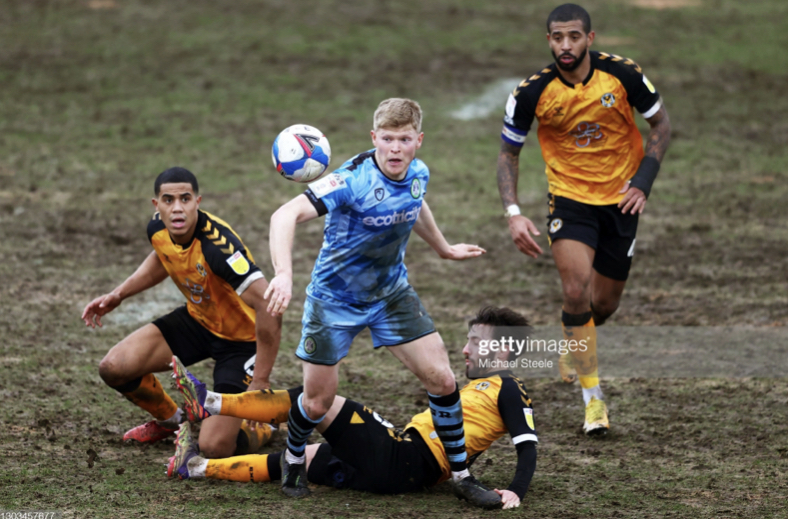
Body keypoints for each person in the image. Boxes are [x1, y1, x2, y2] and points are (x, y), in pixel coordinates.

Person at [263, 98, 490, 503]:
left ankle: (461, 476)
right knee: (318, 402)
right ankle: (293, 457)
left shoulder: (418, 173)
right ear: (374, 139)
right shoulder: (350, 179)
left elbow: (414, 203)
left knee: (442, 378)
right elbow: (284, 216)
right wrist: (284, 274)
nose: (396, 149)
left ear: (418, 140)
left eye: (404, 139)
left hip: (390, 295)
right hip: (333, 301)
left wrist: (443, 248)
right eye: (387, 139)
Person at [168, 306, 537, 511]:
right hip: (396, 469)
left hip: (406, 459)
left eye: (475, 342)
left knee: (318, 399)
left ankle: (210, 403)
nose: (466, 350)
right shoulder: (481, 388)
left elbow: (527, 443)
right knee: (300, 456)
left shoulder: (509, 386)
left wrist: (515, 490)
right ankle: (198, 468)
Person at [496, 4, 671, 435]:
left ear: (589, 39)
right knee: (575, 290)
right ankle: (594, 403)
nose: (565, 45)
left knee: (603, 305)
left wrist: (642, 183)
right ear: (549, 40)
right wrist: (514, 213)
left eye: (574, 36)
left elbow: (661, 127)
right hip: (570, 201)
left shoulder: (624, 75)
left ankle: (573, 335)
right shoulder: (532, 92)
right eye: (557, 37)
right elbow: (508, 154)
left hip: (621, 201)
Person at [81, 167, 282, 457]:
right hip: (198, 322)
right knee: (114, 368)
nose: (177, 208)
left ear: (197, 202)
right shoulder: (158, 228)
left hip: (241, 342)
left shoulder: (218, 247)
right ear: (157, 205)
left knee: (214, 447)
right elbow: (163, 256)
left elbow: (268, 304)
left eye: (185, 199)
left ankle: (266, 424)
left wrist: (261, 380)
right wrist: (119, 294)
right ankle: (171, 421)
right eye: (168, 199)